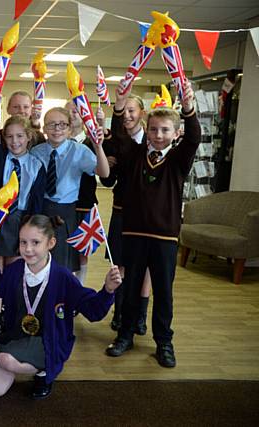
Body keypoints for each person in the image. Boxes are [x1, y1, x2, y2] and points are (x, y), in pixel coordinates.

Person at [105, 79, 199, 368]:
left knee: (163, 292)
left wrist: (188, 108)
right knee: (131, 288)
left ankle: (164, 342)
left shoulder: (178, 161)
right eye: (154, 129)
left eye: (165, 130)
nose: (158, 135)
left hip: (165, 238)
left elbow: (194, 137)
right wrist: (118, 106)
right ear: (147, 129)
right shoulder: (134, 156)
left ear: (175, 133)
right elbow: (120, 137)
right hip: (133, 233)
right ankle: (125, 334)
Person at [0, 215, 122, 400]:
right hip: (18, 336)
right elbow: (0, 287)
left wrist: (107, 290)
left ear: (50, 243)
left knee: (5, 359)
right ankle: (12, 358)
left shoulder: (63, 277)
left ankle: (43, 371)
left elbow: (93, 311)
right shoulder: (16, 269)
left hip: (49, 341)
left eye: (35, 242)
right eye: (23, 242)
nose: (28, 249)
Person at [0, 110, 45, 344]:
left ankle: (12, 317)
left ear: (28, 136)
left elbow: (37, 201)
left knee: (16, 274)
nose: (14, 141)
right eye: (9, 137)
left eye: (20, 136)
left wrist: (32, 229)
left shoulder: (36, 164)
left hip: (22, 221)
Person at [30, 107, 109, 271]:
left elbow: (104, 172)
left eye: (62, 124)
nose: (57, 129)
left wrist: (98, 147)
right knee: (40, 259)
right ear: (44, 128)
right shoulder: (36, 152)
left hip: (66, 212)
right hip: (41, 209)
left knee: (62, 263)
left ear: (69, 128)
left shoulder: (79, 151)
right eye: (51, 124)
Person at [101, 94, 152, 334]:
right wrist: (107, 164)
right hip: (122, 210)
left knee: (145, 269)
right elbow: (108, 181)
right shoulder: (115, 141)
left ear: (142, 112)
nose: (129, 116)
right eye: (125, 112)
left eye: (133, 111)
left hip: (148, 214)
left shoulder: (152, 140)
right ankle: (120, 314)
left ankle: (140, 318)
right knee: (119, 265)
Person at [65, 100, 105, 285]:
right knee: (63, 248)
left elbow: (105, 172)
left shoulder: (92, 142)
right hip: (64, 205)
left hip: (85, 203)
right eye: (68, 112)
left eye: (76, 111)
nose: (72, 115)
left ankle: (79, 287)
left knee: (82, 251)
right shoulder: (58, 142)